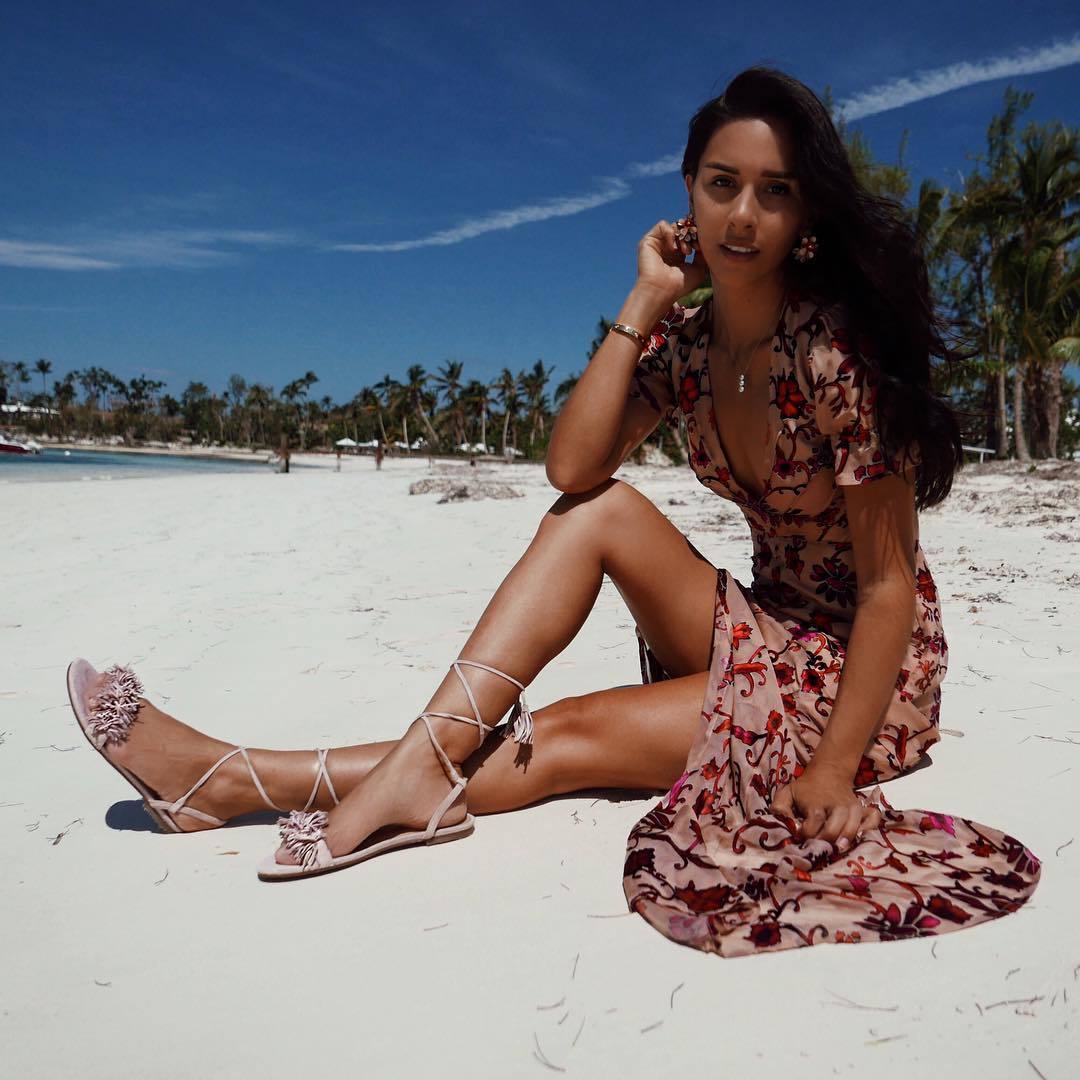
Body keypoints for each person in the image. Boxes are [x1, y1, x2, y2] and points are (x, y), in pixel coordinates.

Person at [66, 67, 1040, 954]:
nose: (743, 214)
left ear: (805, 214)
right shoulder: (690, 345)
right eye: (721, 183)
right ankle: (385, 769)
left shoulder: (835, 355)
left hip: (860, 683)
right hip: (760, 627)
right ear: (689, 193)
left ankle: (236, 778)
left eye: (774, 191)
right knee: (598, 511)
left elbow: (886, 590)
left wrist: (830, 771)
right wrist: (645, 301)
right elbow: (572, 469)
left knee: (568, 733)